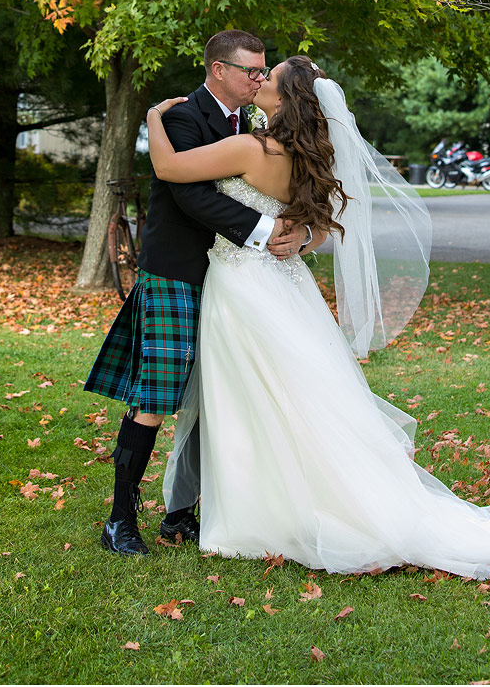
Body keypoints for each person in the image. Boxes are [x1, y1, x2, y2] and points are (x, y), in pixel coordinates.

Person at [145, 56, 490, 578]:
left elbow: (170, 168)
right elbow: (327, 224)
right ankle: (274, 498)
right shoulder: (307, 157)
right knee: (286, 396)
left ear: (286, 102)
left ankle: (258, 509)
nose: (259, 80)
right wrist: (307, 237)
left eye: (270, 77)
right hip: (284, 286)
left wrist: (153, 117)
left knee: (249, 393)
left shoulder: (250, 146)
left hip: (244, 284)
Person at [84, 31, 320, 556]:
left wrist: (301, 233)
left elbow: (309, 198)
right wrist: (264, 231)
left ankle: (181, 513)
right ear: (218, 69)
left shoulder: (257, 123)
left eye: (264, 73)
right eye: (251, 71)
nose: (259, 79)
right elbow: (187, 194)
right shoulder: (182, 118)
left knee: (216, 393)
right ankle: (121, 520)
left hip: (234, 280)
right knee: (158, 395)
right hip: (178, 272)